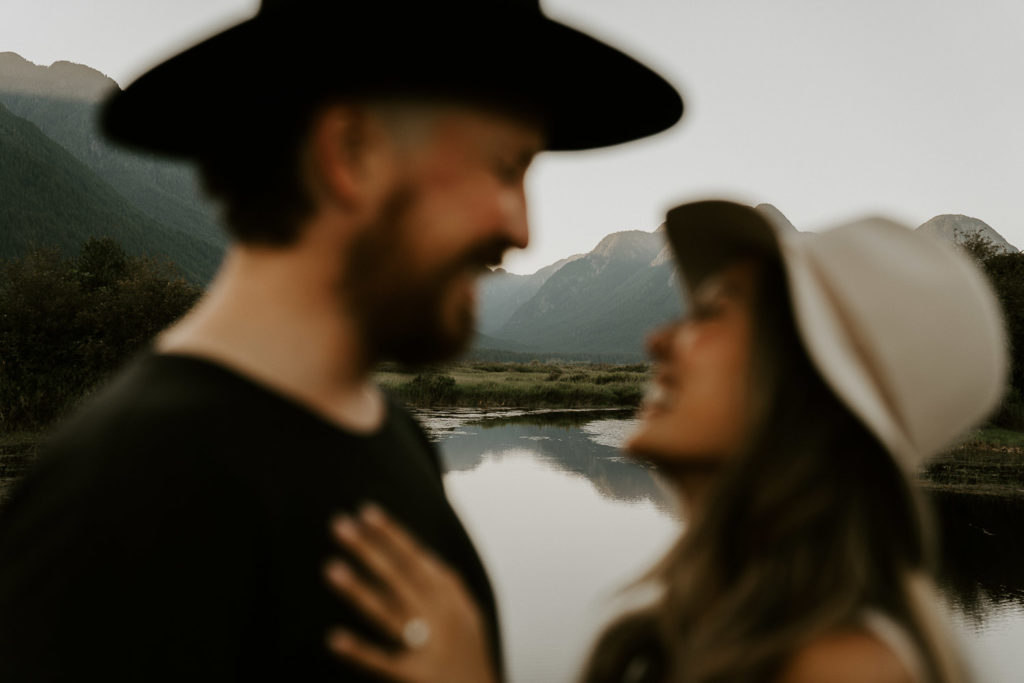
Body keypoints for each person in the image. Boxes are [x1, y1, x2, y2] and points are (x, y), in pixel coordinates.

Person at [0, 1, 683, 681]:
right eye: (505, 167)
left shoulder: (392, 437)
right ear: (348, 153)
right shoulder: (121, 500)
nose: (522, 227)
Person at [322, 200, 1007, 683]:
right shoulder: (733, 622)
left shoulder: (846, 667)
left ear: (805, 387)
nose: (659, 340)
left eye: (711, 312)